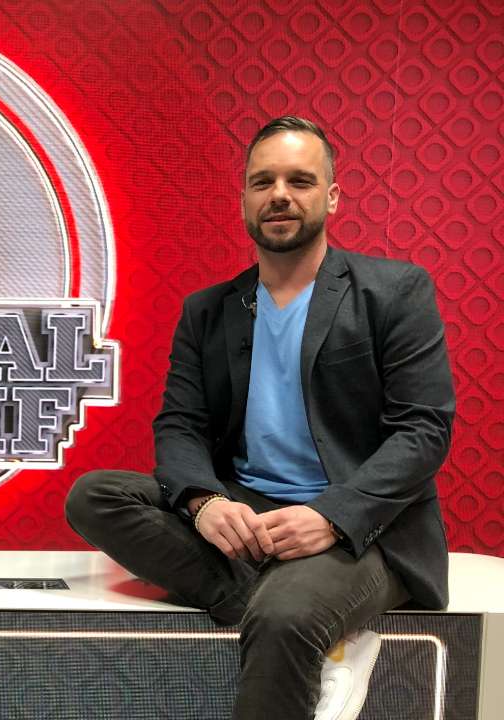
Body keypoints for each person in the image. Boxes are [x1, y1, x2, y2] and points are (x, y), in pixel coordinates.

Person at [65, 116, 454, 720]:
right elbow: (181, 425)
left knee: (284, 617)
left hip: (361, 527)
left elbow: (424, 430)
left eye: (300, 181)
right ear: (244, 198)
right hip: (251, 517)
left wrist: (331, 517)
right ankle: (303, 623)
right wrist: (205, 503)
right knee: (96, 497)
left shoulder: (395, 291)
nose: (279, 195)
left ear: (331, 197)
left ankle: (291, 614)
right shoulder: (208, 310)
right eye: (262, 181)